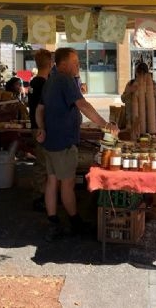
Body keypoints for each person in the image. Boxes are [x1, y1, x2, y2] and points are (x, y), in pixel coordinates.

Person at [35, 47, 118, 241]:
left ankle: (53, 222)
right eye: (75, 62)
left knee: (51, 181)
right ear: (64, 64)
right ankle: (75, 222)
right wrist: (105, 124)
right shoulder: (65, 79)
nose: (78, 65)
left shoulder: (50, 80)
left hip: (50, 142)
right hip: (63, 142)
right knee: (67, 184)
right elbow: (83, 105)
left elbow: (39, 109)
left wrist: (42, 128)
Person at [28, 49, 53, 212]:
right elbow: (43, 109)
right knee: (42, 164)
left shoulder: (34, 82)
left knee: (43, 162)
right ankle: (40, 196)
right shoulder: (43, 84)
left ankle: (45, 195)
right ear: (50, 63)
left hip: (36, 127)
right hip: (41, 129)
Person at [121, 62, 156, 135]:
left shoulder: (153, 85)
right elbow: (123, 99)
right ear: (137, 73)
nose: (141, 75)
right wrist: (130, 91)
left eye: (143, 73)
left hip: (150, 123)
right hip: (133, 121)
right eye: (140, 73)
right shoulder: (131, 84)